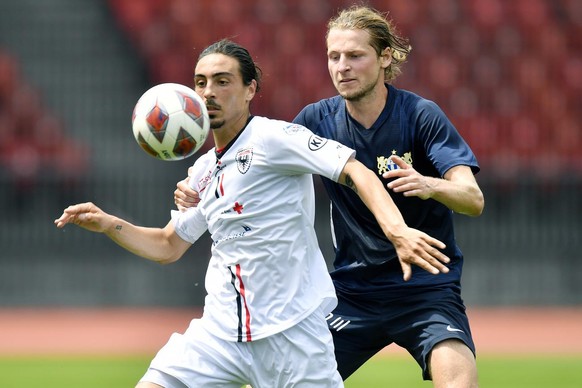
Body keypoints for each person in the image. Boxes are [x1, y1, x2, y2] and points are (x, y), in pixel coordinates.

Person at [55, 39, 450, 388]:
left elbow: (356, 170)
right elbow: (168, 245)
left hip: (292, 336)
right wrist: (109, 224)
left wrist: (397, 231)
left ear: (250, 90)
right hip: (220, 334)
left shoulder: (274, 138)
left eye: (223, 81)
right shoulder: (203, 170)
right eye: (201, 82)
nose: (209, 92)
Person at [175, 6, 484, 388]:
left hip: (427, 288)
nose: (342, 67)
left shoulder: (421, 115)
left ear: (385, 57)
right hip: (352, 292)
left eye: (355, 55)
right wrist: (196, 180)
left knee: (460, 383)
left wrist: (429, 184)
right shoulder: (316, 120)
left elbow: (473, 198)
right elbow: (251, 157)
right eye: (334, 57)